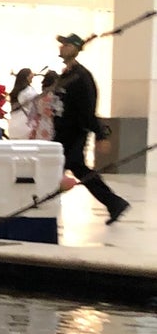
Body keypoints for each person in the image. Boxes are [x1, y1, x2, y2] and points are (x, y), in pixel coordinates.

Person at [53, 33, 128, 224]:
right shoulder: (67, 74)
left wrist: (100, 135)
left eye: (66, 44)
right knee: (75, 169)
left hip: (74, 133)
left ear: (75, 49)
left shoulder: (81, 77)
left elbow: (88, 109)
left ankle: (42, 209)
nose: (61, 47)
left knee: (69, 168)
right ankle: (114, 202)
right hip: (62, 132)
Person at [28, 69, 60, 144]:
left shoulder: (38, 97)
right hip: (51, 125)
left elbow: (34, 114)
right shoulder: (55, 97)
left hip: (39, 125)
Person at [8, 67, 39, 138]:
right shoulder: (29, 91)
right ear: (27, 77)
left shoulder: (15, 92)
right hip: (25, 125)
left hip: (13, 125)